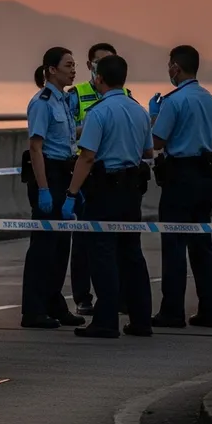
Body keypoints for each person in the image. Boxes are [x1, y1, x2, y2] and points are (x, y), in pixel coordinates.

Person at [65, 54, 153, 339]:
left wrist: (71, 193)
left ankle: (105, 321)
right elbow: (148, 152)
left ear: (99, 78)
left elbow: (87, 156)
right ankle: (141, 320)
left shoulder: (99, 113)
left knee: (102, 254)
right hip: (132, 190)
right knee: (131, 254)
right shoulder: (139, 111)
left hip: (104, 190)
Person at [149, 45, 212, 329]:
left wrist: (154, 115)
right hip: (205, 177)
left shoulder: (174, 101)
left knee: (175, 243)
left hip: (180, 176)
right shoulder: (211, 100)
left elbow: (156, 141)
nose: (169, 71)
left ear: (176, 68)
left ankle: (172, 311)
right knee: (203, 243)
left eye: (170, 66)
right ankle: (210, 311)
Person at [20, 47, 85, 330]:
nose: (73, 70)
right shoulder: (43, 102)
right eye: (68, 65)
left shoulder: (65, 102)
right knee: (44, 247)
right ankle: (33, 309)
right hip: (49, 174)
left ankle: (54, 302)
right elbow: (35, 147)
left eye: (74, 65)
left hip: (66, 172)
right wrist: (44, 188)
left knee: (62, 245)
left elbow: (70, 139)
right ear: (51, 69)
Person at [67, 42, 132, 316]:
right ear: (89, 66)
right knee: (83, 243)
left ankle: (117, 298)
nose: (102, 66)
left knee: (118, 244)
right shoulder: (76, 95)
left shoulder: (126, 94)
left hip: (114, 177)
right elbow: (66, 132)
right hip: (86, 175)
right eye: (98, 62)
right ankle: (83, 297)